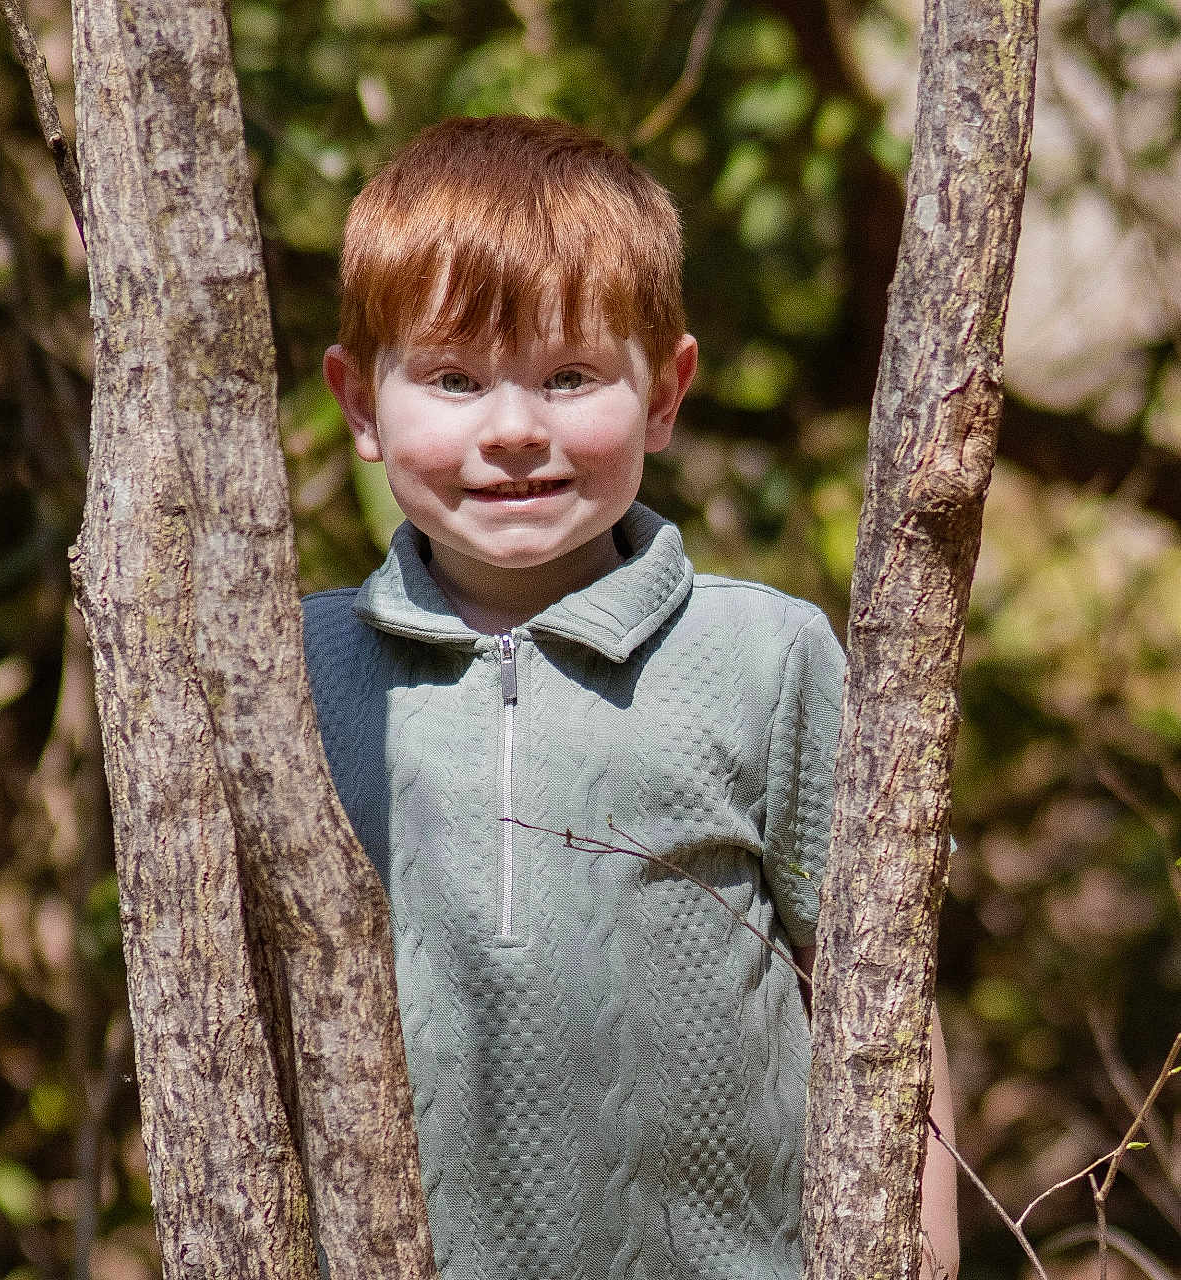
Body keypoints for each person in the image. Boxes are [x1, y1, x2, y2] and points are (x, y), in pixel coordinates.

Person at [302, 114, 958, 1280]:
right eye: (453, 379)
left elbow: (882, 987)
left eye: (568, 375)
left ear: (663, 391)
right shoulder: (297, 672)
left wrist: (922, 1251)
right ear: (359, 406)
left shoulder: (763, 654)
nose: (514, 429)